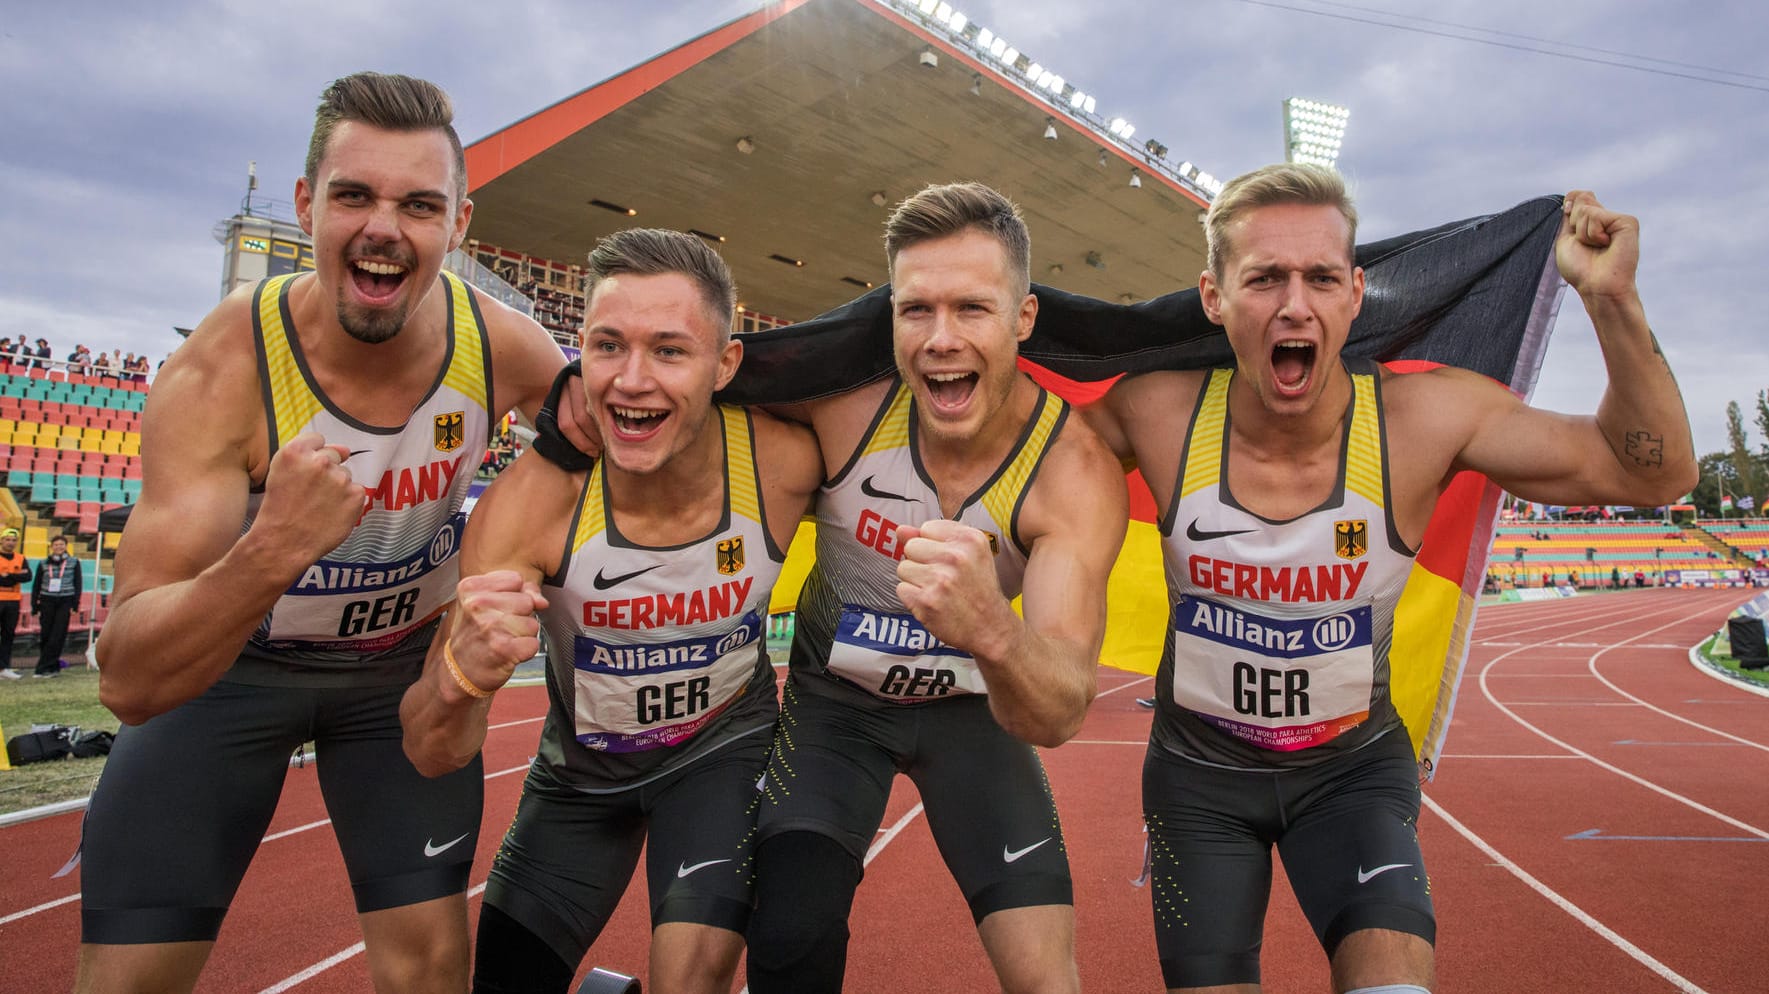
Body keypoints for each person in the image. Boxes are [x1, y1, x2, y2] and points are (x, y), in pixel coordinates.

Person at [1074, 163, 1695, 992]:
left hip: (1351, 776)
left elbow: (1653, 475)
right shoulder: (1151, 411)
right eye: (1264, 278)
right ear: (1214, 296)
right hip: (1199, 785)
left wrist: (1610, 300)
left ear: (1355, 294)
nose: (1295, 304)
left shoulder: (1423, 419)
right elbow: (1005, 456)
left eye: (1320, 277)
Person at [74, 71, 593, 993]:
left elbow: (629, 433)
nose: (384, 228)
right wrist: (273, 546)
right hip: (229, 674)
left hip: (394, 677)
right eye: (354, 195)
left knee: (430, 969)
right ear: (308, 205)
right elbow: (129, 679)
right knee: (130, 979)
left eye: (419, 204)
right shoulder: (220, 371)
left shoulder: (507, 349)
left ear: (458, 225)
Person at [402, 228, 823, 994]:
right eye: (607, 347)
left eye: (669, 351)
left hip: (720, 759)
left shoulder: (782, 461)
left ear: (725, 363)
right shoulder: (525, 506)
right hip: (577, 781)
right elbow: (431, 750)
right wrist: (462, 676)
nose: (631, 381)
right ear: (578, 357)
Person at [741, 183, 1128, 994]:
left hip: (972, 714)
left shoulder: (1071, 472)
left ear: (1023, 319)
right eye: (915, 310)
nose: (941, 340)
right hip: (833, 709)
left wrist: (990, 627)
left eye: (972, 310)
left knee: (1044, 978)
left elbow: (1057, 709)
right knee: (787, 936)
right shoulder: (842, 413)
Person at [31, 534, 82, 677]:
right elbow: (36, 585)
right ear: (51, 547)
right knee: (46, 634)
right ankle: (52, 666)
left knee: (58, 634)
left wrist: (75, 604)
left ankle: (41, 668)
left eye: (61, 545)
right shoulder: (43, 563)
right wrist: (35, 605)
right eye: (56, 545)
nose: (59, 547)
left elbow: (78, 583)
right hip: (47, 600)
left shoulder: (73, 562)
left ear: (66, 546)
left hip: (65, 600)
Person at [0, 528, 30, 679]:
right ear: (2, 540)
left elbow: (27, 576)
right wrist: (16, 577)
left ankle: (4, 667)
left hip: (13, 601)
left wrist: (9, 576)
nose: (10, 543)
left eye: (13, 540)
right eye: (7, 540)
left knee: (8, 634)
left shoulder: (20, 558)